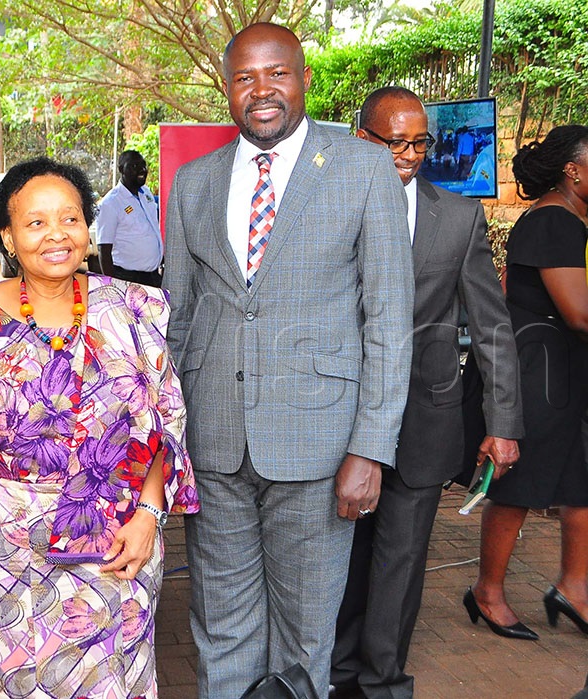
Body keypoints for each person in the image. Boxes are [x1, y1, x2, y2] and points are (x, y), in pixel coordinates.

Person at [163, 23, 414, 698]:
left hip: (322, 445)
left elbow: (388, 321)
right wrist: (165, 436)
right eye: (245, 77)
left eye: (277, 73)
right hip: (213, 443)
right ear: (227, 88)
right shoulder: (193, 183)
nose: (262, 90)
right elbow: (179, 317)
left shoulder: (363, 169)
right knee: (220, 624)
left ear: (304, 78)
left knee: (306, 635)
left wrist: (372, 446)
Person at [0, 157, 199, 698]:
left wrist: (150, 515)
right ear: (7, 235)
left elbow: (164, 419)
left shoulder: (135, 308)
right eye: (36, 222)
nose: (56, 235)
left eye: (70, 219)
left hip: (119, 543)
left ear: (88, 228)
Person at [330, 87, 523, 699]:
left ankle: (383, 681)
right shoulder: (323, 209)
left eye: (421, 142)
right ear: (364, 139)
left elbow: (492, 325)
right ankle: (332, 675)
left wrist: (504, 420)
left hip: (424, 413)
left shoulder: (458, 217)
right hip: (337, 413)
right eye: (397, 142)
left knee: (401, 555)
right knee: (342, 554)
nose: (410, 155)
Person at [466, 124, 588, 641]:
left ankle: (575, 587)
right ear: (574, 170)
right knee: (520, 485)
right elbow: (579, 313)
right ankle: (486, 592)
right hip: (542, 369)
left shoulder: (569, 219)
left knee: (580, 481)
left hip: (560, 365)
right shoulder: (554, 222)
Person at [97, 149, 163, 287]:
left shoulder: (146, 193)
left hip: (152, 277)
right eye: (134, 166)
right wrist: (112, 286)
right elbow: (104, 250)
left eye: (144, 165)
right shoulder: (111, 203)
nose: (142, 170)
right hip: (127, 278)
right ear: (121, 169)